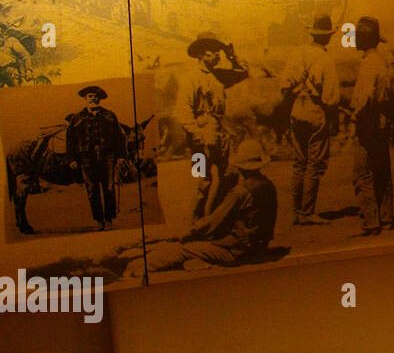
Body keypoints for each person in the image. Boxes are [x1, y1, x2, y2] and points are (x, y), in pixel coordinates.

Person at [146, 139, 280, 271]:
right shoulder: (269, 185)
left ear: (240, 166)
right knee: (203, 245)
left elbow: (213, 221)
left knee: (185, 250)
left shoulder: (240, 191)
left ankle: (144, 268)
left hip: (239, 251)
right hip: (260, 246)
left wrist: (188, 234)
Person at [175, 30, 249, 220]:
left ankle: (216, 219)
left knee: (227, 177)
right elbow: (183, 112)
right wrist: (198, 136)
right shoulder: (191, 78)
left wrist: (232, 57)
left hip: (219, 134)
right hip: (199, 138)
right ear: (201, 53)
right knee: (203, 180)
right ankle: (196, 223)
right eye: (213, 50)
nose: (217, 54)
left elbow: (243, 72)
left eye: (219, 50)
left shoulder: (218, 76)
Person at [279, 15, 340, 225]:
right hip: (315, 110)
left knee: (299, 163)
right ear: (328, 37)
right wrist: (333, 118)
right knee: (314, 163)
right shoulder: (326, 59)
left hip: (297, 108)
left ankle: (296, 212)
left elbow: (284, 84)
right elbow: (331, 98)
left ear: (312, 34)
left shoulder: (297, 53)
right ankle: (307, 213)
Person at [349, 16, 394, 235]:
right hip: (382, 124)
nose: (354, 40)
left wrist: (355, 116)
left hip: (367, 124)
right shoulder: (383, 61)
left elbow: (366, 96)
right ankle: (387, 217)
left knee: (363, 174)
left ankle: (371, 222)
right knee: (382, 171)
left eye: (356, 36)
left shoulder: (368, 64)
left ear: (364, 39)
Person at [65, 85, 126, 230]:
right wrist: (71, 159)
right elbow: (70, 140)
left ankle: (109, 219)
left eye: (96, 96)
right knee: (92, 190)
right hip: (86, 159)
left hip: (107, 157)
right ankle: (98, 220)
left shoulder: (109, 116)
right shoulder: (76, 118)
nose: (93, 98)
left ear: (100, 98)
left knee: (109, 188)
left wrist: (121, 156)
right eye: (90, 96)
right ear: (85, 98)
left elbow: (119, 137)